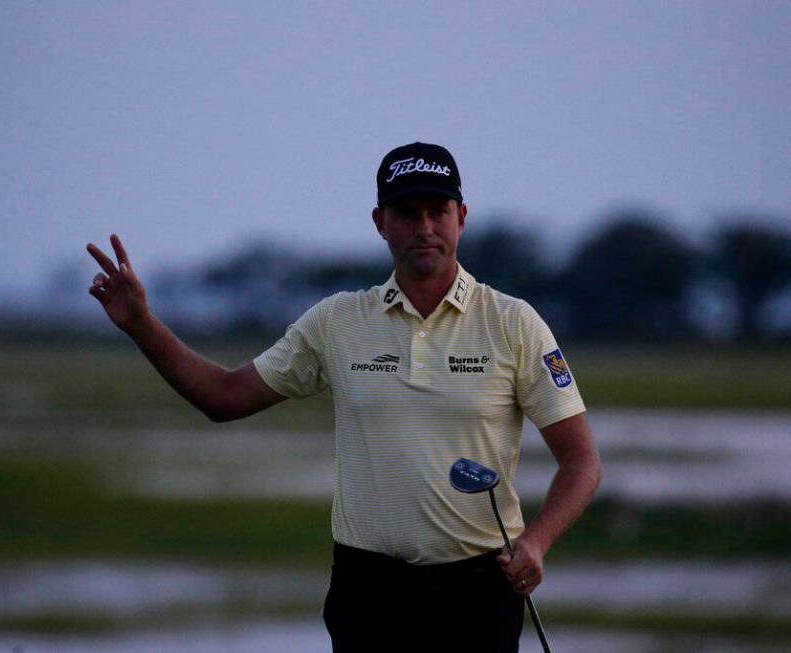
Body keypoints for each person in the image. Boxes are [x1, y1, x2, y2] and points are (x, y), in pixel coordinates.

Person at [86, 142, 602, 652]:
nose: (424, 227)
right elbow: (224, 396)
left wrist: (536, 543)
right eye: (406, 212)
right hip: (369, 587)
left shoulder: (513, 323)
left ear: (461, 217)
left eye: (437, 211)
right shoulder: (337, 321)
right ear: (380, 222)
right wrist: (140, 325)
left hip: (479, 587)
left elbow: (581, 460)